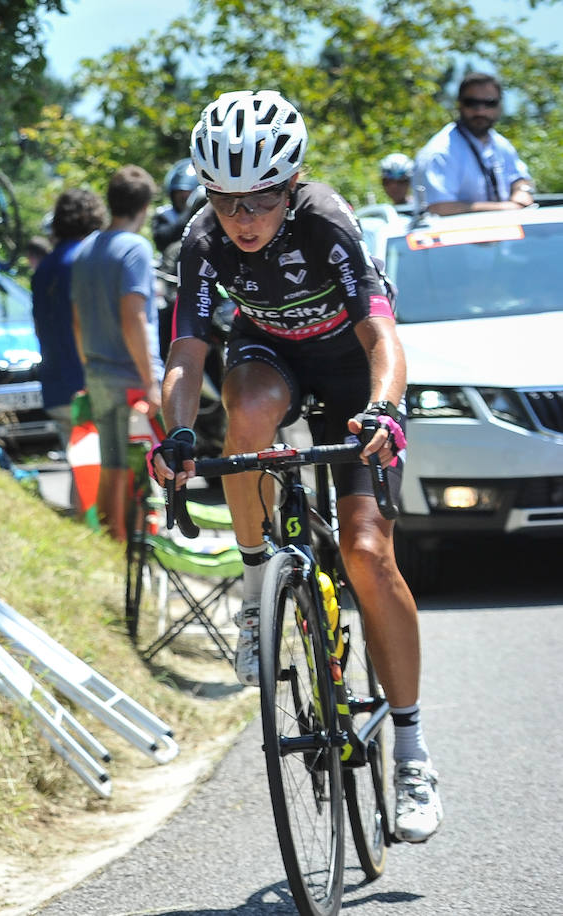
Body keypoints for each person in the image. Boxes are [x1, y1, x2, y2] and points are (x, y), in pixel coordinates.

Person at [153, 89, 443, 844]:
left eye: (262, 200)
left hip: (351, 372)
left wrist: (385, 408)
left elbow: (382, 336)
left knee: (366, 553)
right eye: (225, 200)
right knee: (243, 412)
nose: (242, 219)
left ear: (292, 185)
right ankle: (258, 586)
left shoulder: (328, 225)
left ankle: (411, 753)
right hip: (271, 357)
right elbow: (187, 354)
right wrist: (176, 432)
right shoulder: (202, 242)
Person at [70, 166, 164, 542]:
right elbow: (133, 317)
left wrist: (88, 366)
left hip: (97, 372)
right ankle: (139, 551)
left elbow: (76, 319)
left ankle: (114, 546)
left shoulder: (87, 247)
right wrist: (151, 381)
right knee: (141, 470)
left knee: (111, 465)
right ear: (144, 207)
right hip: (131, 378)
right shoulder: (135, 248)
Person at [31, 189, 104, 455]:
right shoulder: (88, 260)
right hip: (90, 388)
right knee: (106, 477)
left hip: (55, 386)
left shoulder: (43, 268)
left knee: (82, 471)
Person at [413, 72, 534, 214]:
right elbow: (438, 207)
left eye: (489, 103)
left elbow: (520, 178)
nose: (480, 111)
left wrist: (521, 191)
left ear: (499, 105)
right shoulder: (440, 151)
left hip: (505, 233)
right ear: (459, 104)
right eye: (472, 103)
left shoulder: (501, 144)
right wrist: (504, 208)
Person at [151, 158, 201, 252]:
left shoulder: (208, 215)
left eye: (188, 193)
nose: (182, 197)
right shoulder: (165, 214)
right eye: (178, 192)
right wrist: (189, 211)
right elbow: (162, 241)